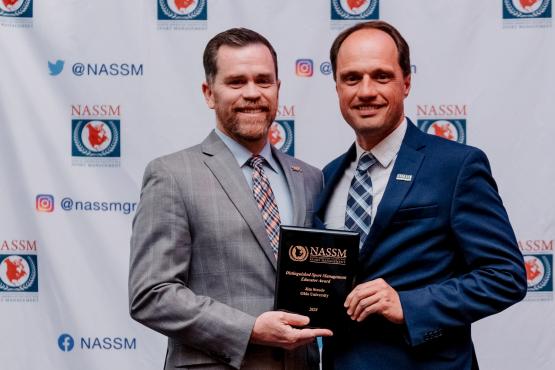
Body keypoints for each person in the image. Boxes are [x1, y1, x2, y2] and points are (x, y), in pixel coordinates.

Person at [314, 21, 527, 370]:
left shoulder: (456, 166)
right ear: (336, 86)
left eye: (381, 76)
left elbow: (506, 276)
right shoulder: (326, 176)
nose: (366, 91)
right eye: (352, 78)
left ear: (406, 82)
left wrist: (410, 305)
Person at [129, 28, 332, 370]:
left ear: (278, 89)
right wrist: (250, 329)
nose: (252, 93)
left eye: (263, 81)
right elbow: (151, 294)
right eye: (236, 82)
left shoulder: (311, 177)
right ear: (209, 93)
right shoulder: (172, 174)